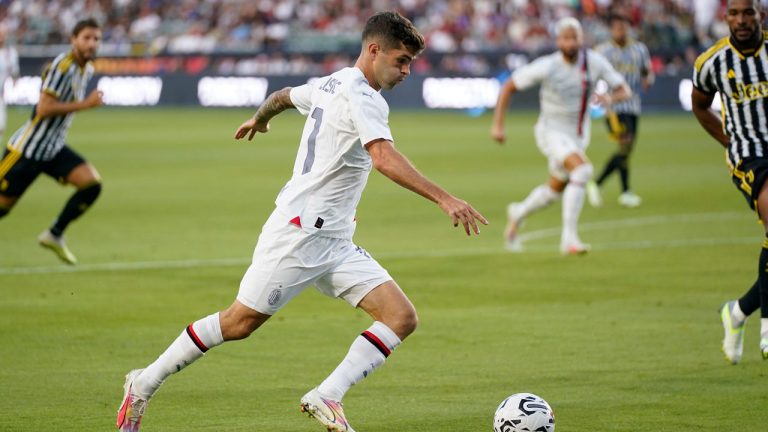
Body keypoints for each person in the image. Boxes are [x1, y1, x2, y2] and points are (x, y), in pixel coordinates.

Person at [116, 11, 487, 432]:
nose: (406, 70)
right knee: (239, 323)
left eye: (410, 63)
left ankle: (326, 396)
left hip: (335, 239)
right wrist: (445, 199)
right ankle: (143, 383)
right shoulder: (363, 96)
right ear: (374, 50)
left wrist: (261, 118)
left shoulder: (332, 82)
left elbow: (284, 95)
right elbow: (382, 157)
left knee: (401, 317)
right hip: (298, 233)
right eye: (401, 60)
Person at [491, 17, 630, 255]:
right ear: (558, 41)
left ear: (581, 39)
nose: (570, 43)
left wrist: (610, 98)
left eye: (574, 37)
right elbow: (508, 87)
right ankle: (569, 239)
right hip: (550, 132)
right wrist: (498, 125)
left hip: (577, 136)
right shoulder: (548, 66)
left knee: (554, 190)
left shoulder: (595, 62)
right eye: (565, 38)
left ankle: (518, 212)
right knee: (582, 170)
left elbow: (624, 90)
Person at [691, 0, 768, 364]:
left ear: (760, 16)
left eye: (748, 13)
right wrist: (728, 140)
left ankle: (737, 312)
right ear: (726, 19)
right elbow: (700, 105)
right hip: (749, 156)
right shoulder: (712, 62)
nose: (741, 20)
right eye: (734, 14)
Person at [0, 18, 104, 265]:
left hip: (53, 149)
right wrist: (85, 105)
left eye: (96, 39)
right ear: (73, 40)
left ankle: (54, 234)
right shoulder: (63, 66)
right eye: (86, 38)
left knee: (91, 184)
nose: (92, 43)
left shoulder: (86, 68)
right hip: (26, 150)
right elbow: (44, 108)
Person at [587, 13, 654, 209]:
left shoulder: (639, 50)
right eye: (617, 27)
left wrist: (647, 79)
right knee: (625, 145)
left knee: (626, 149)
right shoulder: (603, 51)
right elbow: (591, 75)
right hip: (613, 108)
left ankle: (602, 185)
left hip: (633, 106)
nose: (621, 30)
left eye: (624, 26)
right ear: (611, 29)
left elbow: (646, 71)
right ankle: (621, 191)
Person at [0, 23, 20, 144]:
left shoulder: (10, 53)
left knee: (1, 127)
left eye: (3, 33)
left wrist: (14, 81)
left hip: (0, 96)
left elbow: (14, 72)